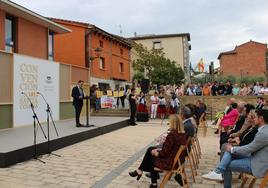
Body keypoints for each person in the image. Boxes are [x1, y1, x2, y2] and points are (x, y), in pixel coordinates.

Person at [202, 109, 268, 188]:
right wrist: (232, 149)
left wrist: (233, 149)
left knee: (227, 163)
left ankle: (220, 173)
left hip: (258, 164)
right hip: (254, 157)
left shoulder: (264, 133)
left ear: (261, 119)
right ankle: (218, 172)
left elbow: (250, 148)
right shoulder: (263, 130)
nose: (254, 119)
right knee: (229, 152)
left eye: (256, 117)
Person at [128, 115, 187, 188]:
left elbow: (164, 153)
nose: (168, 123)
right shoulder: (182, 134)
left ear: (173, 123)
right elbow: (170, 149)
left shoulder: (172, 135)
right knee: (150, 149)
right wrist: (158, 150)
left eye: (169, 122)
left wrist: (156, 153)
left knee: (151, 156)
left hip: (170, 162)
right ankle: (143, 174)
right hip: (178, 161)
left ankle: (149, 178)